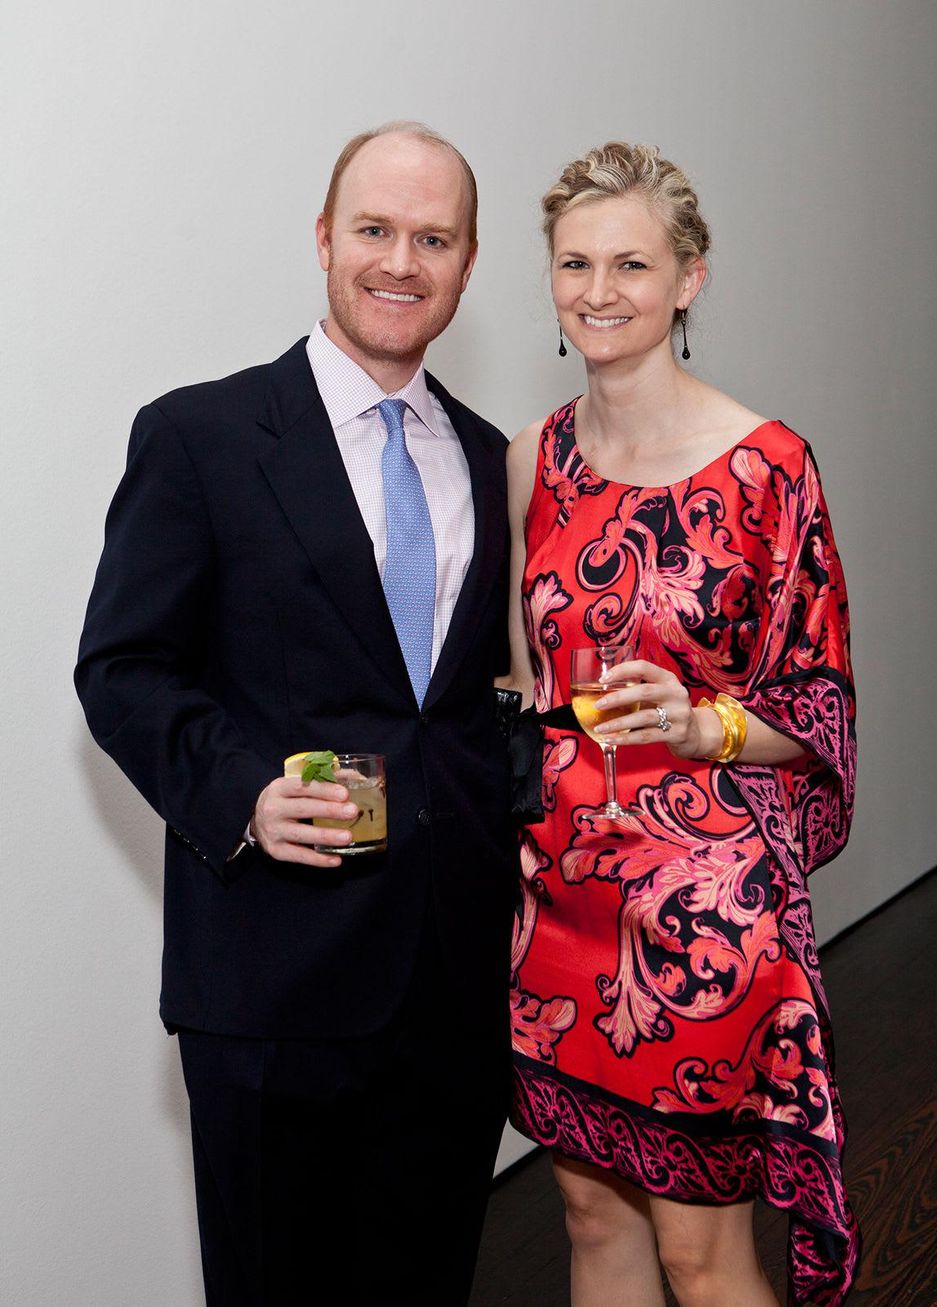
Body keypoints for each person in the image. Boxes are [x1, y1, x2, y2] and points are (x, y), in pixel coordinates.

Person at [75, 122, 514, 1306]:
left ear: (467, 265)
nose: (400, 260)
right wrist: (243, 793)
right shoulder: (200, 435)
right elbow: (122, 667)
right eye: (374, 228)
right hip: (272, 977)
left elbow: (468, 704)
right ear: (324, 240)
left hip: (453, 983)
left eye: (433, 237)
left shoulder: (488, 455)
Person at [502, 143, 858, 1307]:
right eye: (574, 263)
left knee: (702, 1257)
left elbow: (817, 707)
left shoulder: (768, 466)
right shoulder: (531, 460)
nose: (598, 290)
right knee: (587, 1214)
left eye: (631, 264)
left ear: (688, 279)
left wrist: (708, 726)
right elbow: (523, 683)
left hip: (703, 914)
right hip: (556, 898)